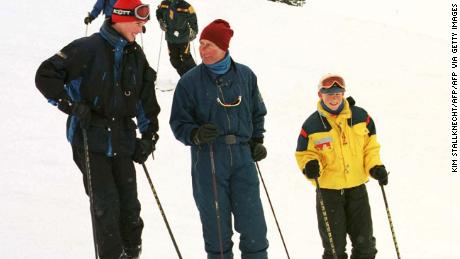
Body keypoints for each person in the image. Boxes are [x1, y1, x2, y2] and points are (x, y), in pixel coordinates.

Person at [35, 0, 160, 258]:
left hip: (123, 140)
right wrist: (70, 105)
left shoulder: (135, 55)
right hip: (89, 138)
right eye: (138, 23)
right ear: (122, 18)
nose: (141, 29)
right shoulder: (87, 48)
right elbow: (45, 76)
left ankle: (132, 252)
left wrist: (149, 137)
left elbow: (145, 99)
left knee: (130, 208)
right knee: (106, 207)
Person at [170, 19, 269, 259]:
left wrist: (257, 140)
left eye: (209, 45)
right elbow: (178, 123)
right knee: (217, 231)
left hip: (243, 158)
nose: (202, 50)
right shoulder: (189, 82)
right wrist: (195, 134)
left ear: (224, 47)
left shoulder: (246, 76)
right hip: (209, 159)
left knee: (253, 226)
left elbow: (258, 111)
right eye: (201, 44)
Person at [295, 74, 389, 259]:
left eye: (338, 93)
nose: (333, 97)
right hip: (329, 192)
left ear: (344, 94)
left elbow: (370, 147)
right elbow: (304, 154)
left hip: (357, 189)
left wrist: (375, 167)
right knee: (335, 249)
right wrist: (311, 165)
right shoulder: (312, 125)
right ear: (320, 94)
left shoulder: (361, 117)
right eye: (329, 93)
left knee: (366, 246)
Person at [156, 0, 198, 76]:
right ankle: (185, 77)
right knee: (174, 60)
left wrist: (194, 31)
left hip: (183, 37)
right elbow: (159, 12)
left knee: (186, 58)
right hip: (170, 37)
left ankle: (196, 76)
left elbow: (193, 18)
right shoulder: (164, 4)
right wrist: (161, 21)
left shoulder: (186, 6)